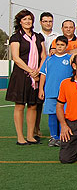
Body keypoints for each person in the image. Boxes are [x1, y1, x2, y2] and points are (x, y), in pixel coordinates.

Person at [6, 9, 47, 145]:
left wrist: (38, 71)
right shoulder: (16, 37)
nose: (27, 21)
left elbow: (43, 56)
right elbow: (16, 58)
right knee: (19, 106)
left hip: (36, 75)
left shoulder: (38, 37)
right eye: (24, 19)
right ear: (20, 22)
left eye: (29, 19)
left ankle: (30, 136)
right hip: (21, 75)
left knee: (33, 105)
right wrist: (30, 71)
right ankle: (20, 137)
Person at [38, 36, 72, 147]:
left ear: (66, 46)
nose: (60, 47)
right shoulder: (48, 59)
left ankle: (64, 136)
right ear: (54, 46)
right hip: (51, 91)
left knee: (65, 115)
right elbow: (43, 74)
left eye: (62, 45)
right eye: (58, 45)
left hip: (66, 94)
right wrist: (41, 89)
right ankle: (54, 137)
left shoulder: (70, 58)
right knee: (52, 114)